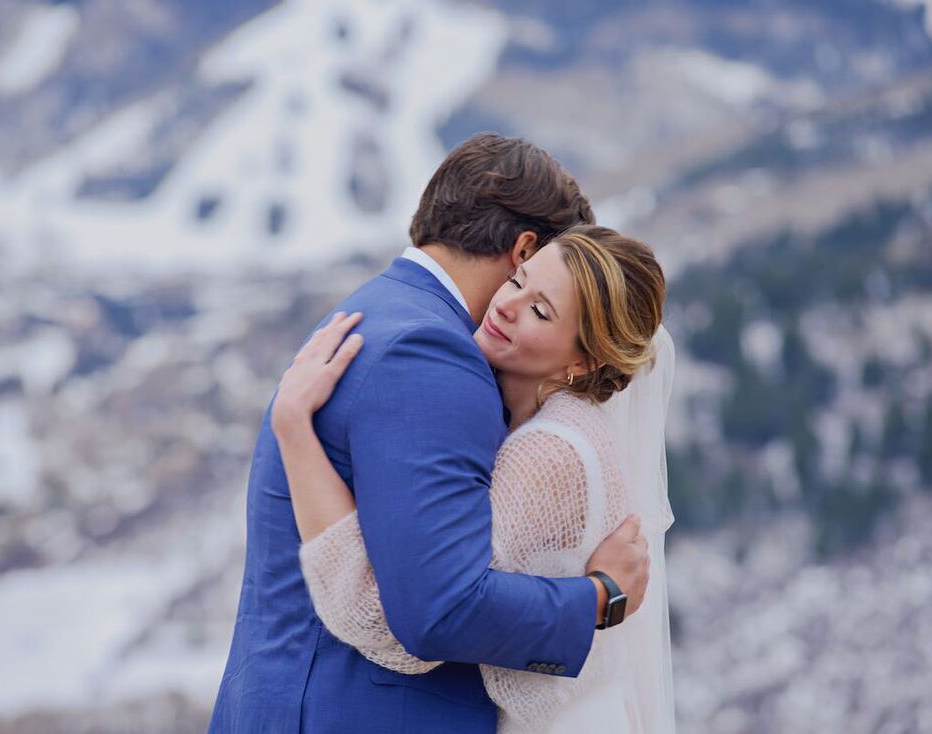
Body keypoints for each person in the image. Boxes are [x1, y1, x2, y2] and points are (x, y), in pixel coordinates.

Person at [208, 134, 651, 733]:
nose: (516, 305)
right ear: (524, 250)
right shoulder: (432, 355)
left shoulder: (374, 312)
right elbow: (439, 609)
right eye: (527, 281)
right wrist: (598, 597)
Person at [272, 225, 675, 732]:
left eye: (540, 310)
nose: (507, 305)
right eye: (517, 281)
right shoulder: (555, 426)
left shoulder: (546, 453)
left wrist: (294, 430)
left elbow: (390, 623)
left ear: (583, 360)